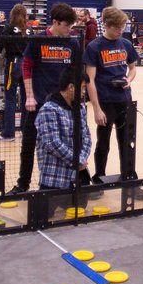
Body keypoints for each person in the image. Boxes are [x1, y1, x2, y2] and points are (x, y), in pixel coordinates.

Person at [11, 3, 80, 194]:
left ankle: (63, 184)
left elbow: (75, 72)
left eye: (71, 26)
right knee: (28, 144)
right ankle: (22, 184)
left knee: (64, 144)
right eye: (66, 26)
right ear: (55, 22)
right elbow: (26, 67)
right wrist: (30, 97)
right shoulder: (38, 40)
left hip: (63, 105)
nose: (69, 30)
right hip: (39, 102)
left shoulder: (72, 43)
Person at [84, 6, 143, 199]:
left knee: (127, 142)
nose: (120, 30)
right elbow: (90, 80)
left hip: (125, 101)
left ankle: (129, 180)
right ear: (106, 25)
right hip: (105, 101)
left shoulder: (126, 44)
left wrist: (129, 79)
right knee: (103, 143)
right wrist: (96, 108)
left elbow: (133, 68)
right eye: (116, 27)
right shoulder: (94, 47)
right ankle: (99, 179)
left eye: (122, 26)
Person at [35, 66, 92, 213]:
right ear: (71, 87)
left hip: (77, 174)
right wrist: (77, 161)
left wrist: (81, 158)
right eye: (83, 88)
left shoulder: (80, 108)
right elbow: (52, 143)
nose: (84, 92)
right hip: (54, 176)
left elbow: (86, 137)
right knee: (43, 216)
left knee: (78, 211)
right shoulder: (49, 109)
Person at [0, 4, 29, 142]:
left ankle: (9, 133)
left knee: (10, 98)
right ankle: (25, 131)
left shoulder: (8, 27)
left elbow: (2, 41)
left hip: (13, 63)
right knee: (27, 98)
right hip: (27, 65)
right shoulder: (29, 29)